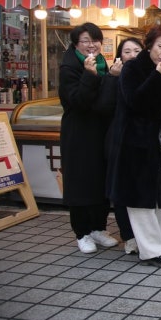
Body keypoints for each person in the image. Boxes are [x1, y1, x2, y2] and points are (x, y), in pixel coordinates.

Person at [108, 24, 161, 268]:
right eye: (160, 46)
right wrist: (157, 77)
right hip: (135, 144)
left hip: (160, 145)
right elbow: (134, 102)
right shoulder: (132, 68)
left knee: (159, 200)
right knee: (139, 200)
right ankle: (152, 251)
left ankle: (159, 245)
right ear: (149, 45)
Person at [59, 23, 122, 254]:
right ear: (76, 43)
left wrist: (111, 78)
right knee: (80, 183)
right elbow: (78, 102)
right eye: (85, 41)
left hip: (101, 132)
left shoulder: (103, 63)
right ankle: (82, 233)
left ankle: (98, 228)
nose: (91, 45)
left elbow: (105, 101)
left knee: (100, 182)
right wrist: (89, 75)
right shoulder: (69, 67)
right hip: (79, 134)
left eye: (95, 40)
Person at [110, 37, 144, 256]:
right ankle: (129, 236)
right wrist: (112, 79)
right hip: (120, 141)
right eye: (127, 51)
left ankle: (143, 236)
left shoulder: (150, 75)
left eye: (137, 51)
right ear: (119, 56)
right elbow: (104, 106)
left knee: (141, 190)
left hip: (143, 142)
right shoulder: (113, 77)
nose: (132, 55)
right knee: (122, 190)